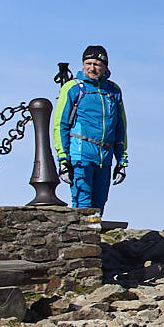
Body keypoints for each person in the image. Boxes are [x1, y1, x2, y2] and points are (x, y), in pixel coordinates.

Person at [53, 45, 127, 215]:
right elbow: (60, 125)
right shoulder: (73, 88)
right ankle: (80, 240)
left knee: (99, 205)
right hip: (80, 153)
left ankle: (92, 240)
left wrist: (121, 160)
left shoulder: (113, 91)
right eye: (88, 63)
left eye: (97, 64)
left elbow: (120, 127)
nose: (92, 68)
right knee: (82, 203)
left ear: (105, 67)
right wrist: (63, 159)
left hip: (105, 156)